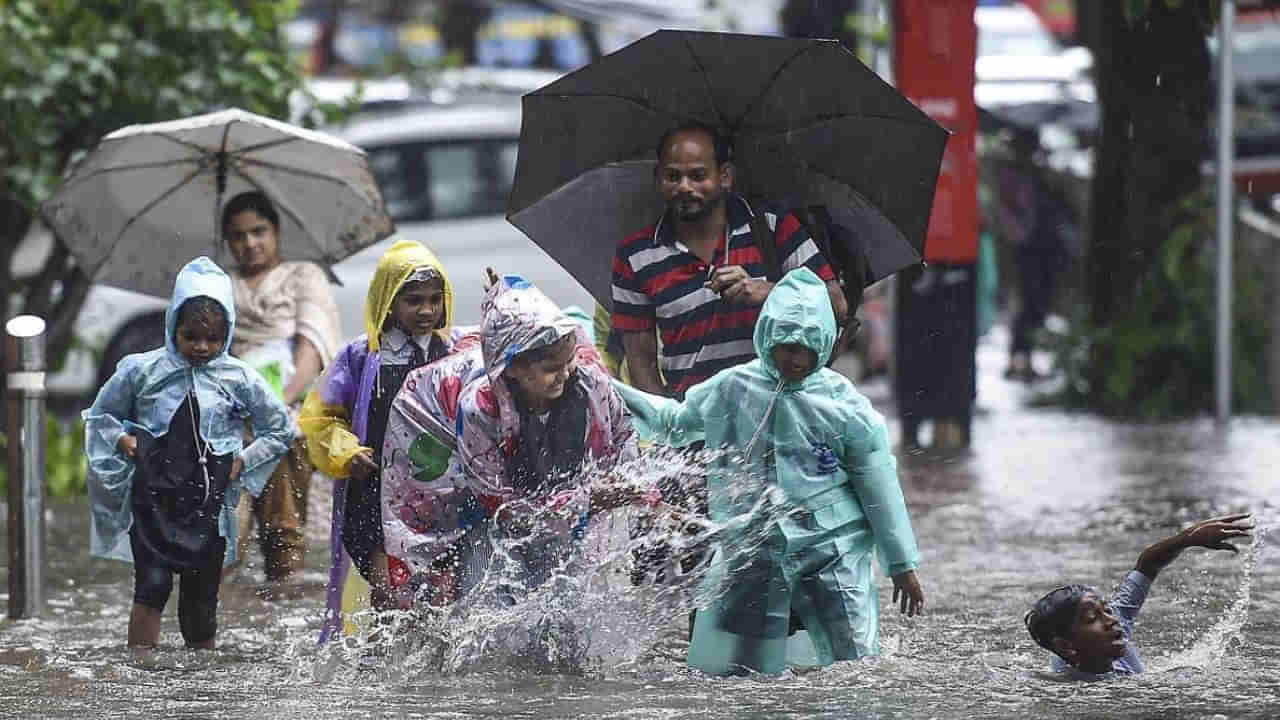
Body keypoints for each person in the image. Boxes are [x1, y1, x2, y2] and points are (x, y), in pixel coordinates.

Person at [612, 267, 925, 675]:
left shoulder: (845, 407)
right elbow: (673, 423)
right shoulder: (733, 388)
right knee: (733, 676)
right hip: (753, 547)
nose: (795, 360)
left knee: (856, 671)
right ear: (767, 338)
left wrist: (901, 564)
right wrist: (607, 387)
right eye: (786, 347)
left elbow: (878, 485)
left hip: (830, 550)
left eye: (807, 349)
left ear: (826, 345)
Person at [379, 271, 640, 605]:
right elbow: (501, 507)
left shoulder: (589, 381)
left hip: (521, 444)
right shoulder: (479, 407)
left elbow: (622, 440)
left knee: (569, 570)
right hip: (434, 434)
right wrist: (585, 500)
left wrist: (632, 493)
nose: (564, 374)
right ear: (512, 369)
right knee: (476, 569)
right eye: (550, 368)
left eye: (568, 361)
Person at [84, 256, 293, 648]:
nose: (202, 347)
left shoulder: (240, 377)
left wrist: (243, 462)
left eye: (213, 338)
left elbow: (279, 428)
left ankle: (200, 685)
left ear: (228, 332)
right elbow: (100, 417)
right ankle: (140, 670)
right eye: (191, 336)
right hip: (152, 501)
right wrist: (124, 440)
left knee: (200, 608)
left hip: (209, 506)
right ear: (172, 327)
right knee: (151, 587)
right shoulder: (140, 371)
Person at [299, 240, 466, 641]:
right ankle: (380, 673)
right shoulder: (359, 358)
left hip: (438, 498)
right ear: (388, 301)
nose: (427, 311)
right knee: (390, 593)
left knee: (442, 597)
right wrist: (347, 453)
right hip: (372, 496)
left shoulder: (454, 351)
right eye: (413, 300)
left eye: (434, 300)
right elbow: (321, 419)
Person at [611, 121, 847, 401]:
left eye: (698, 176)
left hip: (782, 418)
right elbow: (641, 361)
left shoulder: (773, 227)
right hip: (696, 429)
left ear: (725, 176)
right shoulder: (634, 256)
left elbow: (836, 305)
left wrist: (769, 292)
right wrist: (668, 425)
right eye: (673, 176)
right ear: (658, 177)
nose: (684, 187)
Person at [221, 190, 341, 582]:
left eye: (259, 231)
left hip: (290, 409)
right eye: (238, 236)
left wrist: (279, 402)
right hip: (229, 415)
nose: (249, 243)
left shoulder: (302, 276)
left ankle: (283, 590)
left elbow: (314, 344)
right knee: (223, 538)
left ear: (276, 232)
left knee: (283, 528)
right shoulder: (221, 287)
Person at [1025, 513, 1254, 679]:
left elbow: (1147, 565)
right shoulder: (1065, 690)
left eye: (1106, 610)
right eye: (1091, 618)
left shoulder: (1116, 626)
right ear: (1065, 646)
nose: (1111, 619)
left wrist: (1188, 538)